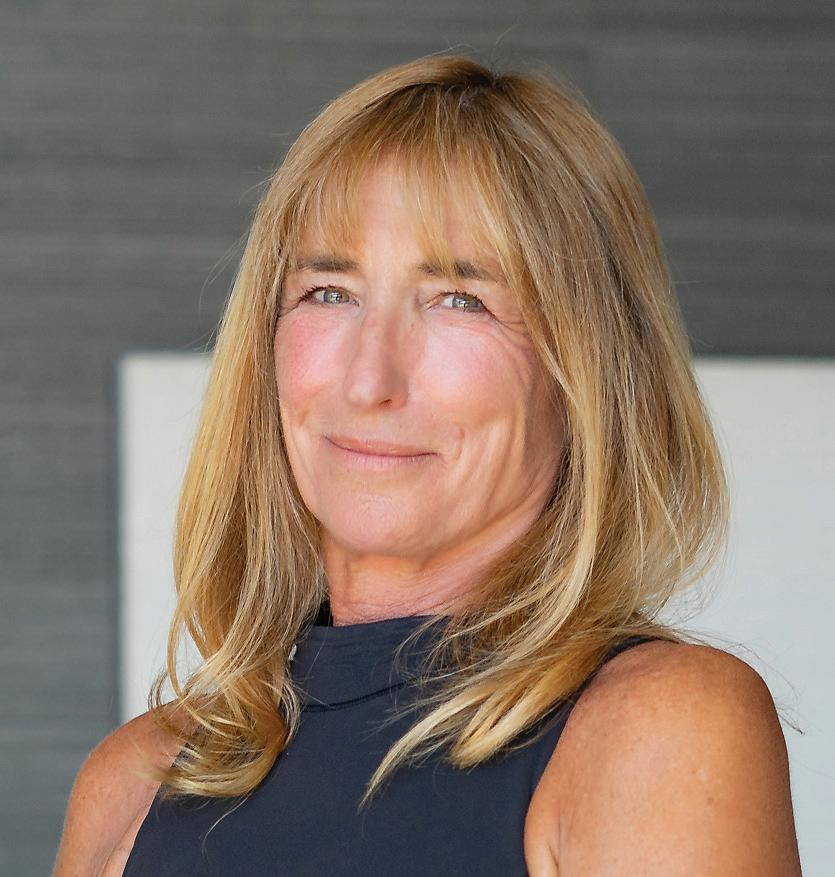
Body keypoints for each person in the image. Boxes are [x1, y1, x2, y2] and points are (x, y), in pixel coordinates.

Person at [53, 54, 801, 875]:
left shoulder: (658, 724)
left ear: (585, 374)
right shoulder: (132, 784)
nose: (368, 379)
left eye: (461, 299)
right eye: (329, 290)